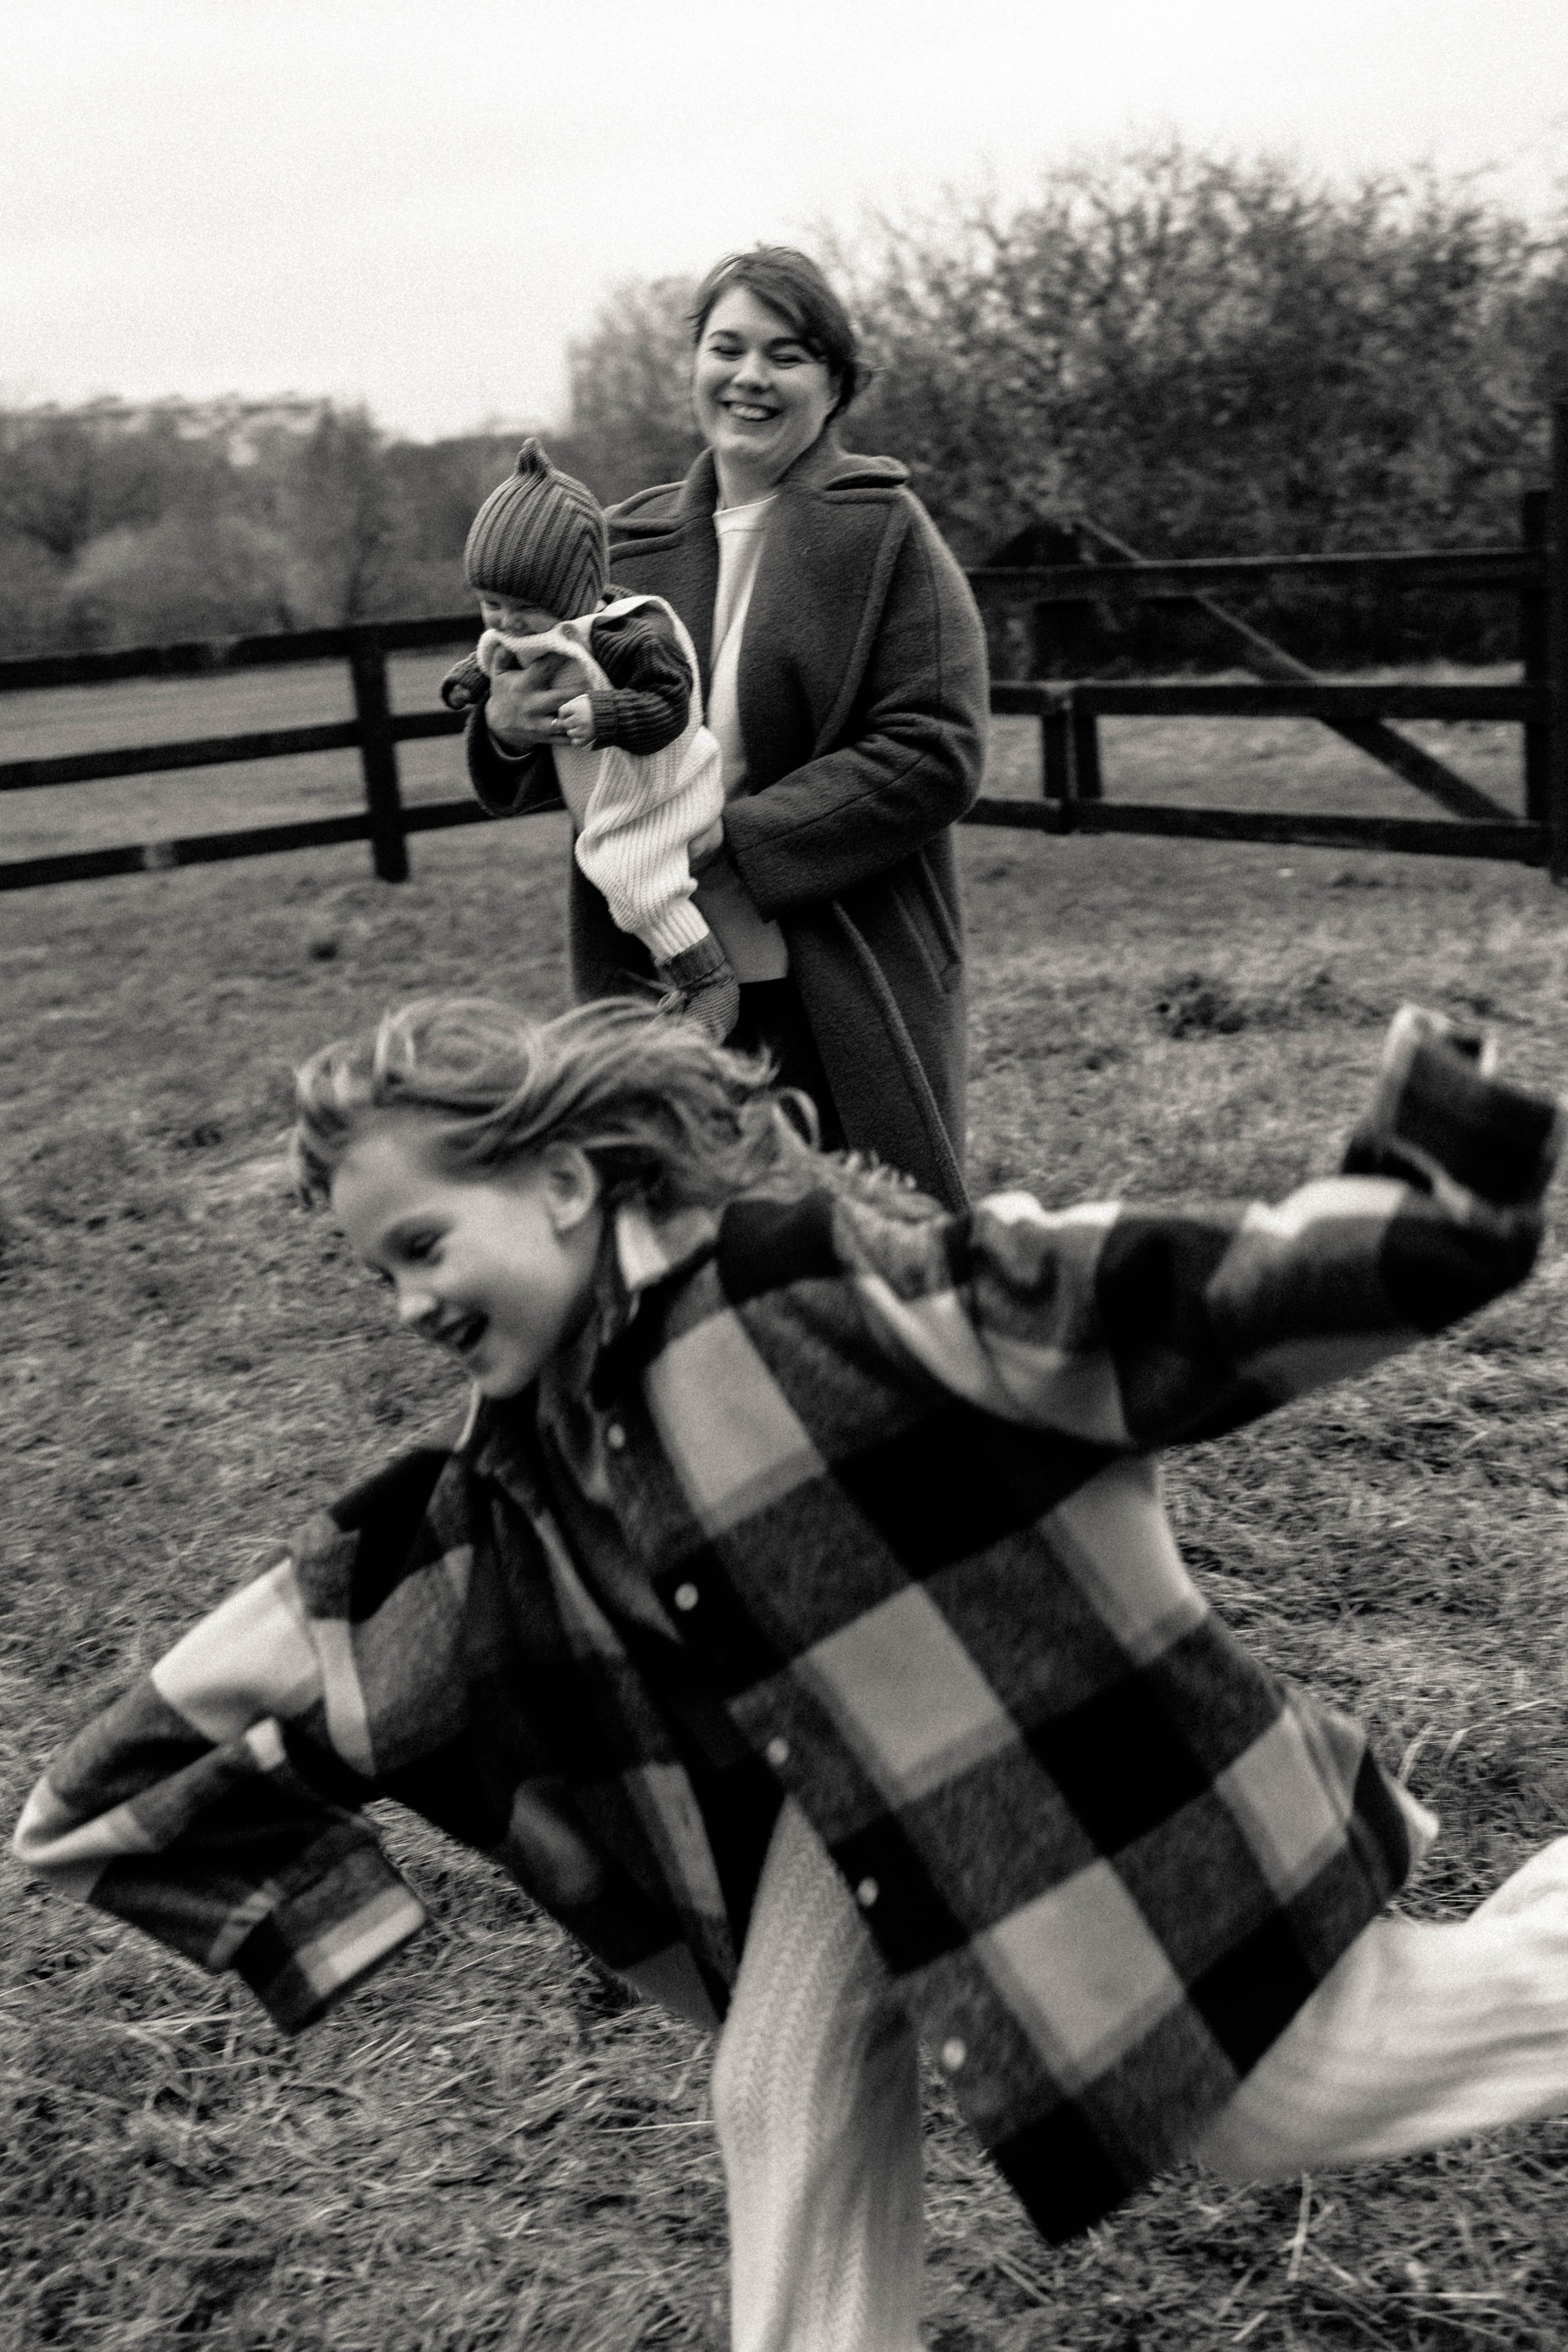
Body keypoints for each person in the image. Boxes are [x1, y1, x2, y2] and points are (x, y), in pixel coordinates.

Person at [15, 992, 1568, 2352]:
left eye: (423, 1244)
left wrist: (1409, 1214)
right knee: (784, 2083)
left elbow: (1101, 1294)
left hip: (1081, 1805)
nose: (409, 1303)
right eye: (376, 1275)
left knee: (1289, 2098)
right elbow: (346, 1622)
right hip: (871, 1817)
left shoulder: (796, 1286)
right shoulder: (535, 1454)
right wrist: (144, 1791)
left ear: (560, 1181)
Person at [462, 246, 989, 1213]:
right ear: (696, 364)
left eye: (787, 355)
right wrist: (507, 723)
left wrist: (740, 844)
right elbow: (554, 730)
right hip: (654, 978)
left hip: (835, 975)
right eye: (727, 347)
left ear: (836, 385)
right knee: (678, 1243)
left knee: (865, 1244)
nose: (751, 377)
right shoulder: (616, 543)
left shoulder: (886, 530)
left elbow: (935, 751)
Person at [440, 438, 739, 1041]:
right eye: (490, 602)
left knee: (639, 890)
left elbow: (670, 705)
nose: (505, 620)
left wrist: (606, 715)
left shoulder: (627, 636)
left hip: (662, 792)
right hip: (607, 801)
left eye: (523, 607)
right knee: (618, 880)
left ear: (575, 595)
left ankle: (710, 984)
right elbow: (495, 653)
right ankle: (674, 987)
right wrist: (469, 682)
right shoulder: (525, 629)